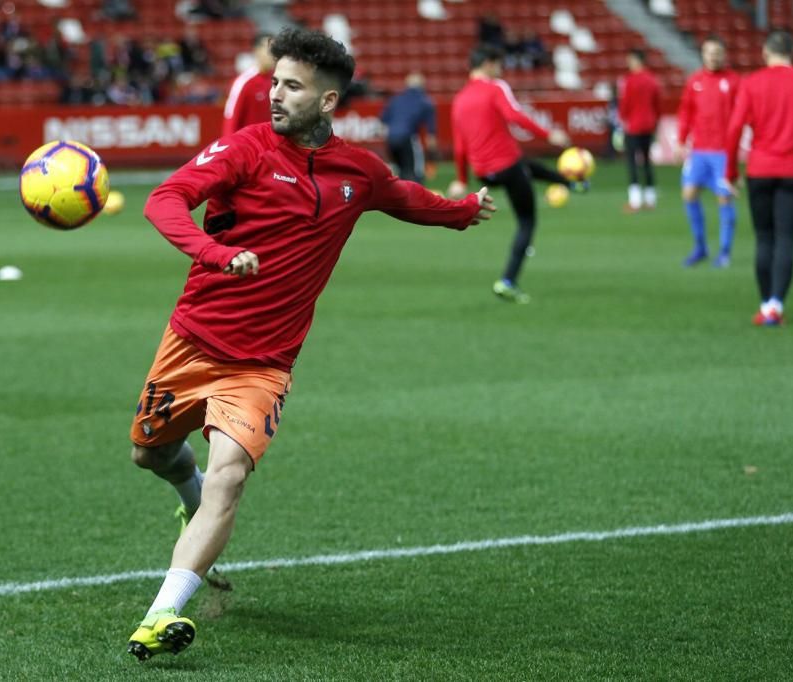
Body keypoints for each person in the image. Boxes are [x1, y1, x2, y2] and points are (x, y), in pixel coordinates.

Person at [126, 27, 495, 662]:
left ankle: (162, 615)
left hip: (264, 365)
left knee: (230, 478)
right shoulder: (245, 150)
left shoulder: (358, 170)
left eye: (291, 86)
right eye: (274, 82)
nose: (274, 95)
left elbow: (404, 197)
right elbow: (165, 200)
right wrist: (216, 254)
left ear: (326, 102)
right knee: (150, 456)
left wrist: (461, 210)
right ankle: (186, 502)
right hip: (192, 343)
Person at [447, 45, 572, 304]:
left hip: (484, 173)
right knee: (526, 221)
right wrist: (549, 135)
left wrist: (461, 179)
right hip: (506, 165)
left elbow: (460, 145)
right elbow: (515, 115)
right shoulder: (496, 87)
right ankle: (508, 282)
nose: (501, 69)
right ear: (489, 63)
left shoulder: (459, 100)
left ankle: (571, 183)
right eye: (499, 64)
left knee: (526, 166)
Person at [725, 30, 793, 326]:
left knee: (764, 238)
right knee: (786, 239)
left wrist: (731, 173)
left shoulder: (751, 83)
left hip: (759, 169)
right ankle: (775, 305)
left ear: (765, 53)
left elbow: (734, 128)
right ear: (792, 53)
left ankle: (765, 304)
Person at [676, 37, 740, 268]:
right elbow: (686, 112)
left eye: (717, 53)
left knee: (724, 198)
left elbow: (743, 116)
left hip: (723, 152)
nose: (713, 57)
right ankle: (701, 247)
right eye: (709, 52)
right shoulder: (695, 81)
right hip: (699, 151)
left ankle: (724, 252)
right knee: (689, 194)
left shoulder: (733, 82)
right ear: (703, 55)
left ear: (724, 55)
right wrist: (681, 140)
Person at [618, 48, 662, 212]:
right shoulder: (652, 80)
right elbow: (658, 104)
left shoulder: (630, 80)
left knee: (632, 162)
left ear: (636, 60)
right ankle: (651, 199)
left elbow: (625, 104)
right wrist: (655, 121)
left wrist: (623, 118)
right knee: (647, 162)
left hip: (633, 126)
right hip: (649, 125)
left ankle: (635, 201)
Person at [380, 71, 437, 184]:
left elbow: (383, 120)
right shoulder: (425, 101)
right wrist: (432, 156)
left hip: (391, 139)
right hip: (408, 138)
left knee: (401, 173)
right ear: (422, 85)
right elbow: (431, 135)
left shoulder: (395, 100)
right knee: (415, 174)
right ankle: (417, 199)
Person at [221, 33, 274, 136]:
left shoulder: (278, 80)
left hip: (271, 147)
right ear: (256, 51)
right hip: (250, 146)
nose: (272, 53)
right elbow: (231, 118)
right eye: (268, 48)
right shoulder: (244, 82)